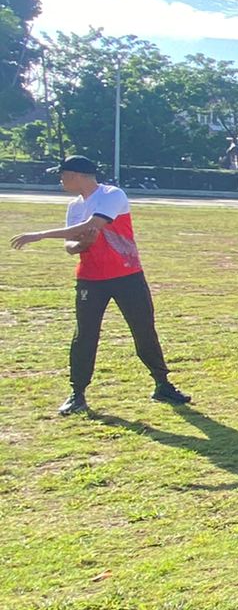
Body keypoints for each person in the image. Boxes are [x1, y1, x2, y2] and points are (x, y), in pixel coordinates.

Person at [8, 154, 190, 415]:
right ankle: (77, 394)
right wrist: (81, 245)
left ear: (77, 175)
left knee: (143, 329)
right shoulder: (74, 205)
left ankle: (162, 384)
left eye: (63, 175)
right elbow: (71, 245)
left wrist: (39, 235)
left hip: (127, 276)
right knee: (85, 335)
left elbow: (92, 224)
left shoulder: (112, 195)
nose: (61, 180)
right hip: (91, 279)